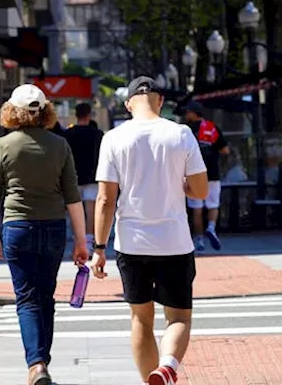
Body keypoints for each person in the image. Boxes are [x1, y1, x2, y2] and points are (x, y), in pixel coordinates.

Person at [92, 76, 208, 385]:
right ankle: (168, 367)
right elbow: (200, 190)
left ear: (129, 104)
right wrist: (180, 184)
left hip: (131, 242)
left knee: (140, 318)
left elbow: (105, 198)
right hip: (174, 241)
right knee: (179, 316)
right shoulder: (180, 134)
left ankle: (151, 380)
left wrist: (99, 248)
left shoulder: (113, 138)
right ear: (159, 101)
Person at [0, 85, 89, 385]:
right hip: (54, 227)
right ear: (45, 111)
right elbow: (73, 196)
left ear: (12, 111)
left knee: (27, 299)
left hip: (17, 227)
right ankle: (42, 362)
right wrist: (81, 241)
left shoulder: (3, 146)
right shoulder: (59, 145)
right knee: (46, 297)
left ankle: (37, 364)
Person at [181, 101, 227, 252]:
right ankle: (212, 228)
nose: (186, 114)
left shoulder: (185, 130)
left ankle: (199, 239)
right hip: (213, 172)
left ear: (194, 113)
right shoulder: (212, 128)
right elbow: (225, 150)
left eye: (188, 112)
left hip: (194, 173)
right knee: (213, 204)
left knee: (197, 208)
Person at [61, 103, 104, 250]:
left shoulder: (67, 135)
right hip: (93, 176)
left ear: (76, 115)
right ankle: (89, 242)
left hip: (73, 178)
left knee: (75, 210)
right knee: (91, 210)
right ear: (89, 115)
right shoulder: (97, 134)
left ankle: (77, 241)